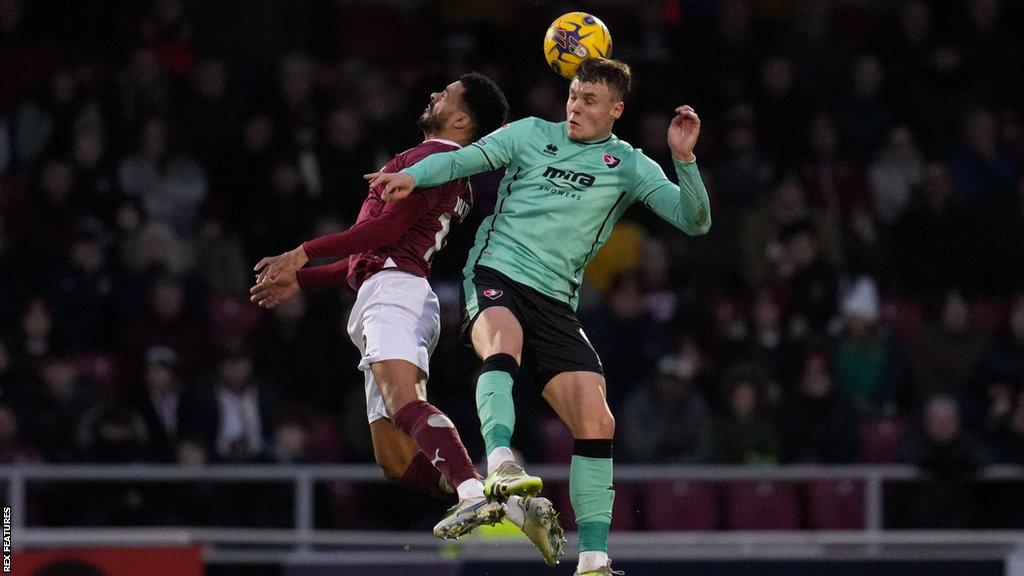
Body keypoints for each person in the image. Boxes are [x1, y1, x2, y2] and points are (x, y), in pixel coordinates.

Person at [368, 57, 711, 576]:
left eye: (590, 100)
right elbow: (463, 160)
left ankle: (593, 559)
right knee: (502, 343)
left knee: (597, 420)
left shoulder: (631, 166)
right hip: (496, 272)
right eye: (573, 95)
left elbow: (694, 221)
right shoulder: (529, 134)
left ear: (615, 109)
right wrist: (410, 177)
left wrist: (684, 160)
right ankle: (501, 463)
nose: (575, 106)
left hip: (556, 300)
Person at [248, 73, 564, 562]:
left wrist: (302, 253)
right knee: (395, 461)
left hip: (396, 295)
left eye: (447, 93)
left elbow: (383, 231)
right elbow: (374, 253)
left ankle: (471, 492)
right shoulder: (443, 169)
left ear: (461, 119)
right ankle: (512, 509)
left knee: (404, 400)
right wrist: (303, 280)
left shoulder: (430, 160)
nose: (434, 93)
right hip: (389, 290)